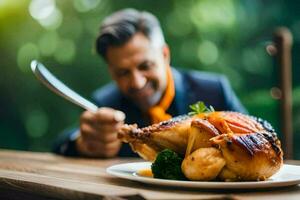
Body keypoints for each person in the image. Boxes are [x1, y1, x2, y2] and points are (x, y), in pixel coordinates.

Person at [53, 8, 247, 158]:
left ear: (165, 55)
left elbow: (258, 138)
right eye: (122, 72)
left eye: (145, 65)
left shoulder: (214, 91)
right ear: (110, 72)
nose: (137, 82)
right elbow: (60, 144)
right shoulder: (105, 102)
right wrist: (81, 144)